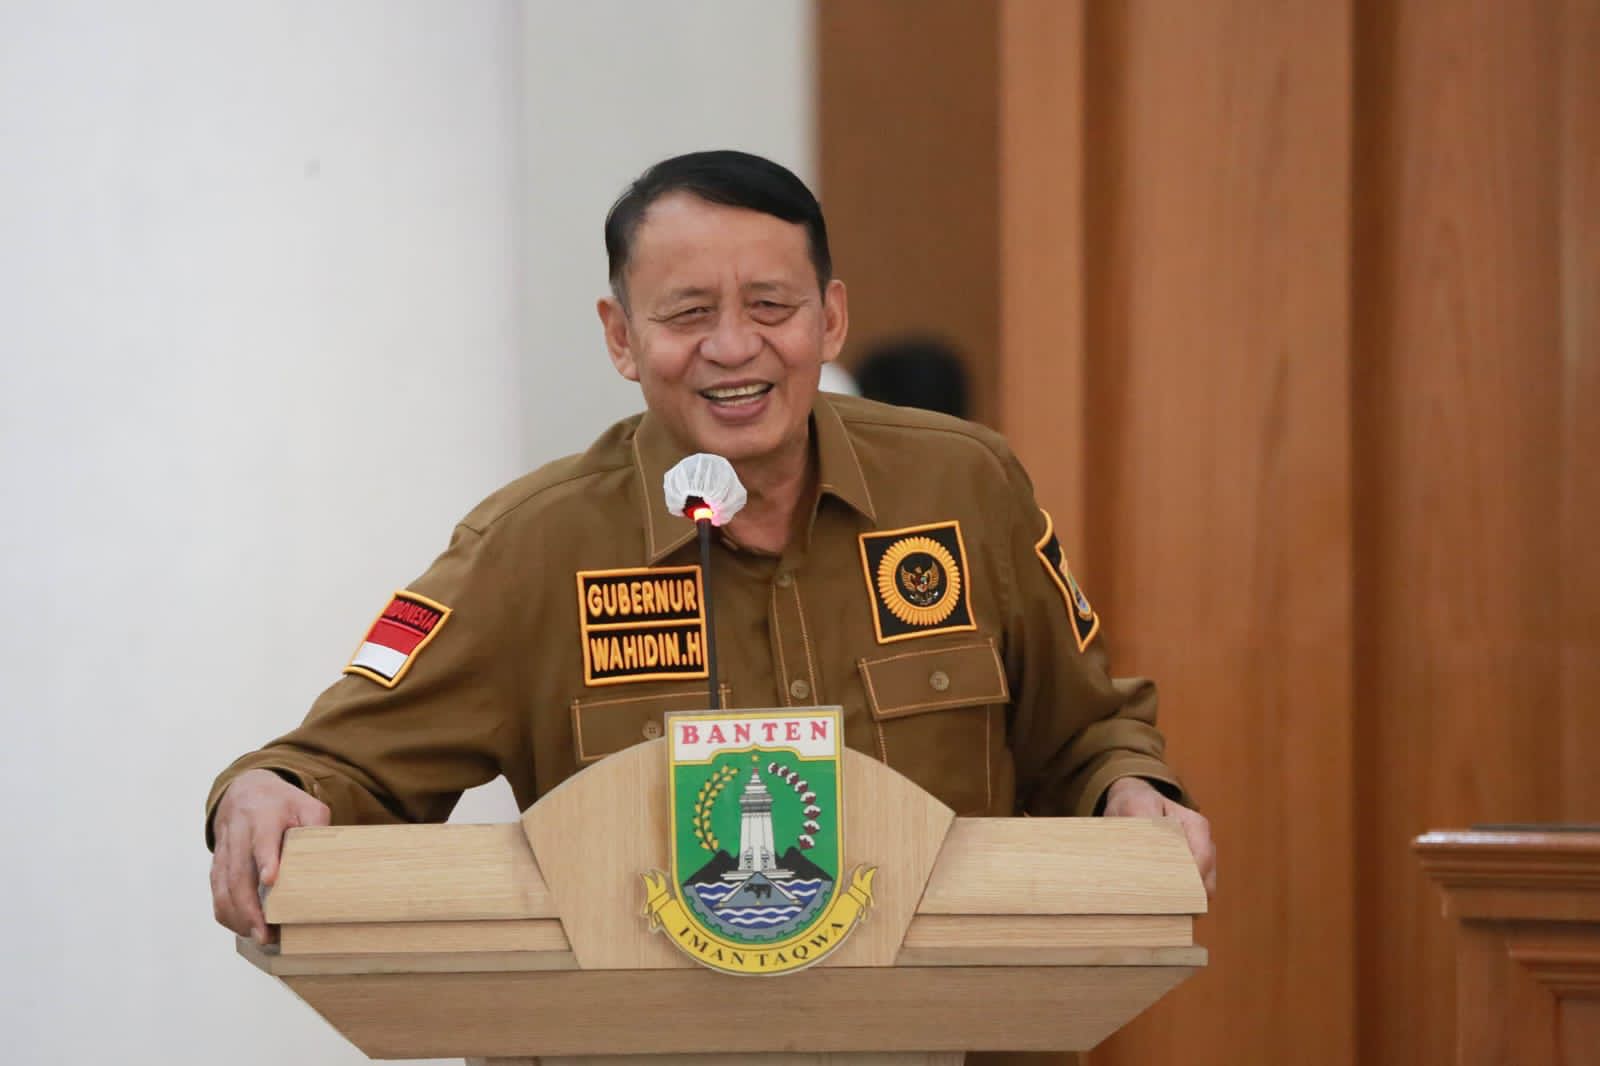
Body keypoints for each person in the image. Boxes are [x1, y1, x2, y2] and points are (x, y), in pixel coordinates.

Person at [207, 151, 1216, 957]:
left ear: (831, 318)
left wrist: (1132, 795)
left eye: (771, 306)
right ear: (620, 337)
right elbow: (337, 767)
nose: (734, 347)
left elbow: (1085, 735)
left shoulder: (964, 489)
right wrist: (268, 793)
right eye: (688, 314)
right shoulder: (533, 548)